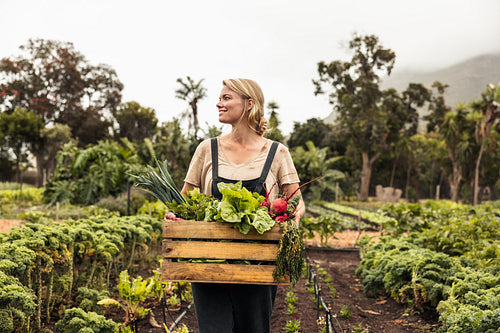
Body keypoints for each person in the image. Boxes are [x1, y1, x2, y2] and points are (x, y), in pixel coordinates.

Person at [180, 78, 305, 333]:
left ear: (249, 104)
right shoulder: (207, 149)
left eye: (226, 98)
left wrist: (291, 221)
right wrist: (176, 217)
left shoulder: (277, 152)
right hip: (210, 264)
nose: (219, 103)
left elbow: (296, 202)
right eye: (220, 98)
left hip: (258, 265)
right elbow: (185, 200)